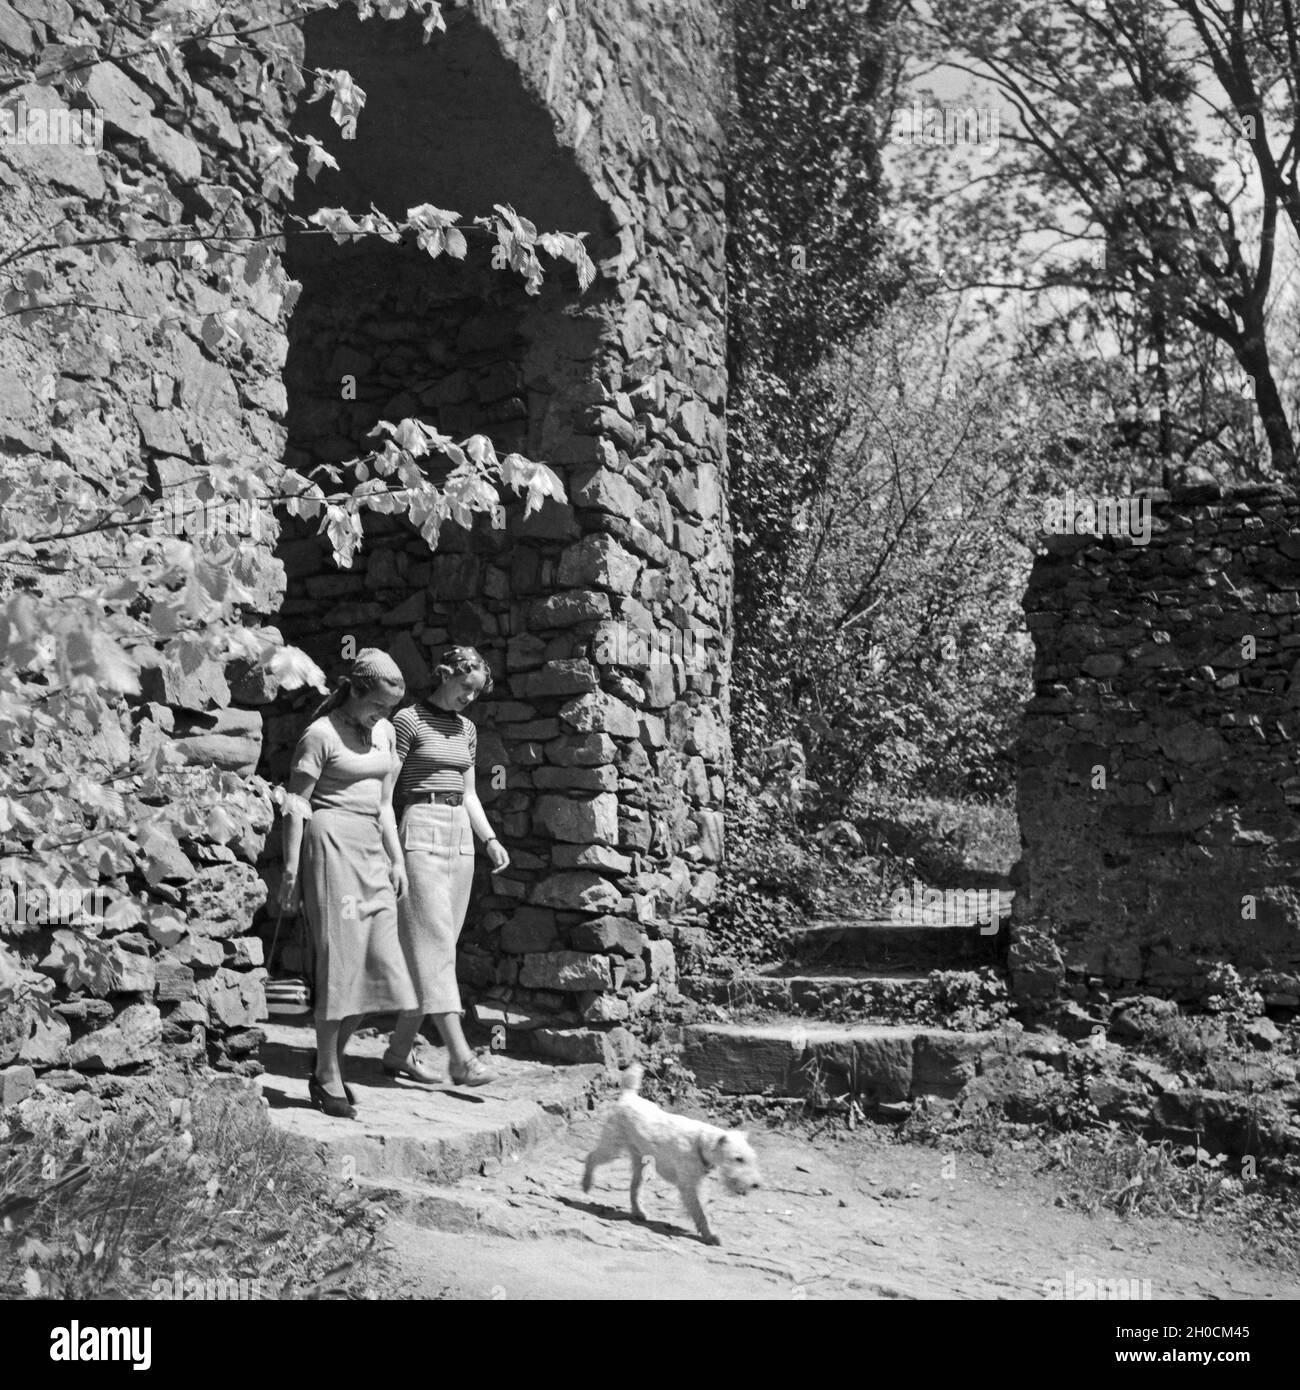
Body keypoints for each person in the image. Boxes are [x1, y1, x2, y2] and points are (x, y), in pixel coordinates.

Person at [279, 648, 415, 1119]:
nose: (383, 713)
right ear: (354, 690)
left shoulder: (385, 731)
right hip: (330, 846)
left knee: (382, 965)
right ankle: (327, 1074)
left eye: (390, 707)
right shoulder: (319, 734)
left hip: (372, 849)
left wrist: (396, 860)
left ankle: (327, 1058)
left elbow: (384, 804)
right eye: (377, 703)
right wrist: (291, 872)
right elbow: (296, 804)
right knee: (341, 962)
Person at [386, 645, 510, 1087]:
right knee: (433, 946)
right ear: (445, 675)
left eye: (476, 693)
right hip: (419, 823)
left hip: (460, 832)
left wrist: (489, 838)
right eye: (464, 688)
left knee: (439, 951)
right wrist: (386, 845)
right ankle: (460, 1058)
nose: (469, 698)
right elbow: (387, 788)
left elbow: (471, 792)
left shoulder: (468, 729)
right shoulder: (408, 720)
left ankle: (398, 1051)